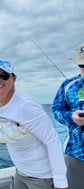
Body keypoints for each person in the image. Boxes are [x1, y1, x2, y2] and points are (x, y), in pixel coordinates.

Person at [0, 59, 68, 189]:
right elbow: (8, 135)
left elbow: (52, 141)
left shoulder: (27, 106)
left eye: (4, 75)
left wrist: (60, 183)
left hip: (40, 176)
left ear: (14, 78)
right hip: (20, 171)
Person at [52, 43, 84, 189]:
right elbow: (56, 111)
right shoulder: (68, 85)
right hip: (75, 154)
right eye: (82, 65)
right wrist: (71, 117)